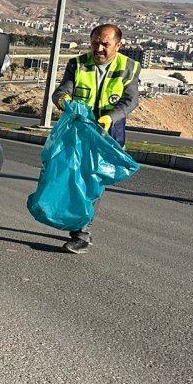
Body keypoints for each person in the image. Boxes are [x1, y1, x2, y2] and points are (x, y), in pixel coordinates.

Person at [50, 23, 141, 254]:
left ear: (118, 45)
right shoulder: (77, 64)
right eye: (95, 43)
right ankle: (78, 224)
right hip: (79, 134)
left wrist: (110, 117)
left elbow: (130, 100)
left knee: (94, 181)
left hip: (107, 136)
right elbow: (62, 90)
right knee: (74, 179)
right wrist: (63, 102)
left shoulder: (129, 67)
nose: (99, 48)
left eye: (105, 44)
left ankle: (82, 233)